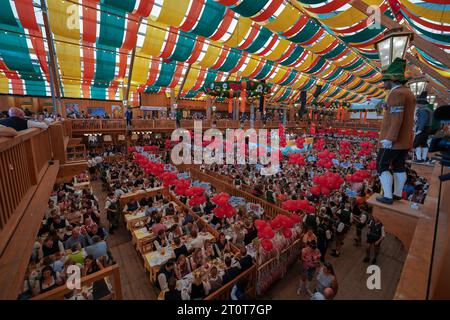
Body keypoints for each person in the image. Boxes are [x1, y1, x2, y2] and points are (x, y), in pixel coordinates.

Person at [376, 58, 416, 204]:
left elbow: (397, 118)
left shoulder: (396, 94)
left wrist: (390, 138)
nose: (383, 84)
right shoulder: (408, 93)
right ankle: (397, 193)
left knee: (381, 165)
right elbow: (402, 115)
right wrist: (387, 108)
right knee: (399, 166)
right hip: (405, 141)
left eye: (384, 80)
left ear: (392, 79)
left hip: (393, 141)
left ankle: (387, 196)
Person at [413, 92, 433, 163]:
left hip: (422, 129)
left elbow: (422, 121)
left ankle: (419, 159)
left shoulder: (423, 110)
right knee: (424, 143)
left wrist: (419, 130)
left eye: (417, 103)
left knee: (416, 143)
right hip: (427, 128)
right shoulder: (428, 110)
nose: (416, 104)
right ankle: (424, 158)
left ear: (420, 103)